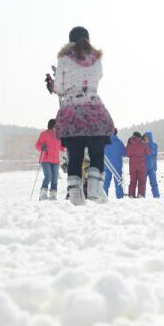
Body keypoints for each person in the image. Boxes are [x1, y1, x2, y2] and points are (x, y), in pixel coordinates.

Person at [47, 26, 114, 205]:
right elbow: (97, 78)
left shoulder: (63, 58)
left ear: (70, 41)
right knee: (97, 151)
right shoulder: (96, 59)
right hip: (94, 110)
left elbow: (60, 89)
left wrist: (52, 86)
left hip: (72, 112)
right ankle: (94, 188)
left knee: (74, 155)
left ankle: (76, 196)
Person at [34, 119, 64, 200]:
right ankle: (43, 194)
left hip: (56, 160)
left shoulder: (58, 136)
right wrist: (42, 147)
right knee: (48, 176)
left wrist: (68, 145)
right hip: (46, 159)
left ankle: (53, 195)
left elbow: (62, 147)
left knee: (54, 178)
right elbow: (37, 145)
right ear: (53, 126)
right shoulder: (44, 134)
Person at [103, 130, 126, 199]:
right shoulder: (119, 142)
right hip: (117, 166)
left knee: (105, 183)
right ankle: (120, 198)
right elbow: (124, 153)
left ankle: (104, 197)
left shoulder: (104, 142)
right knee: (118, 182)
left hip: (107, 165)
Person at [125, 132, 148, 198]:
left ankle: (131, 195)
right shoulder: (143, 143)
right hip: (141, 165)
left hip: (132, 165)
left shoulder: (129, 143)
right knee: (141, 181)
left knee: (132, 181)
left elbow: (126, 153)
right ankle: (140, 194)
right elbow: (148, 152)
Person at [143, 132, 160, 198]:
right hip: (144, 167)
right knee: (142, 184)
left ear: (150, 138)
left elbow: (152, 151)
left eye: (147, 137)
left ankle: (156, 196)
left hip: (152, 167)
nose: (146, 139)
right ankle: (142, 196)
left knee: (154, 183)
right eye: (145, 138)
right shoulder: (143, 145)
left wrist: (147, 144)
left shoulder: (154, 145)